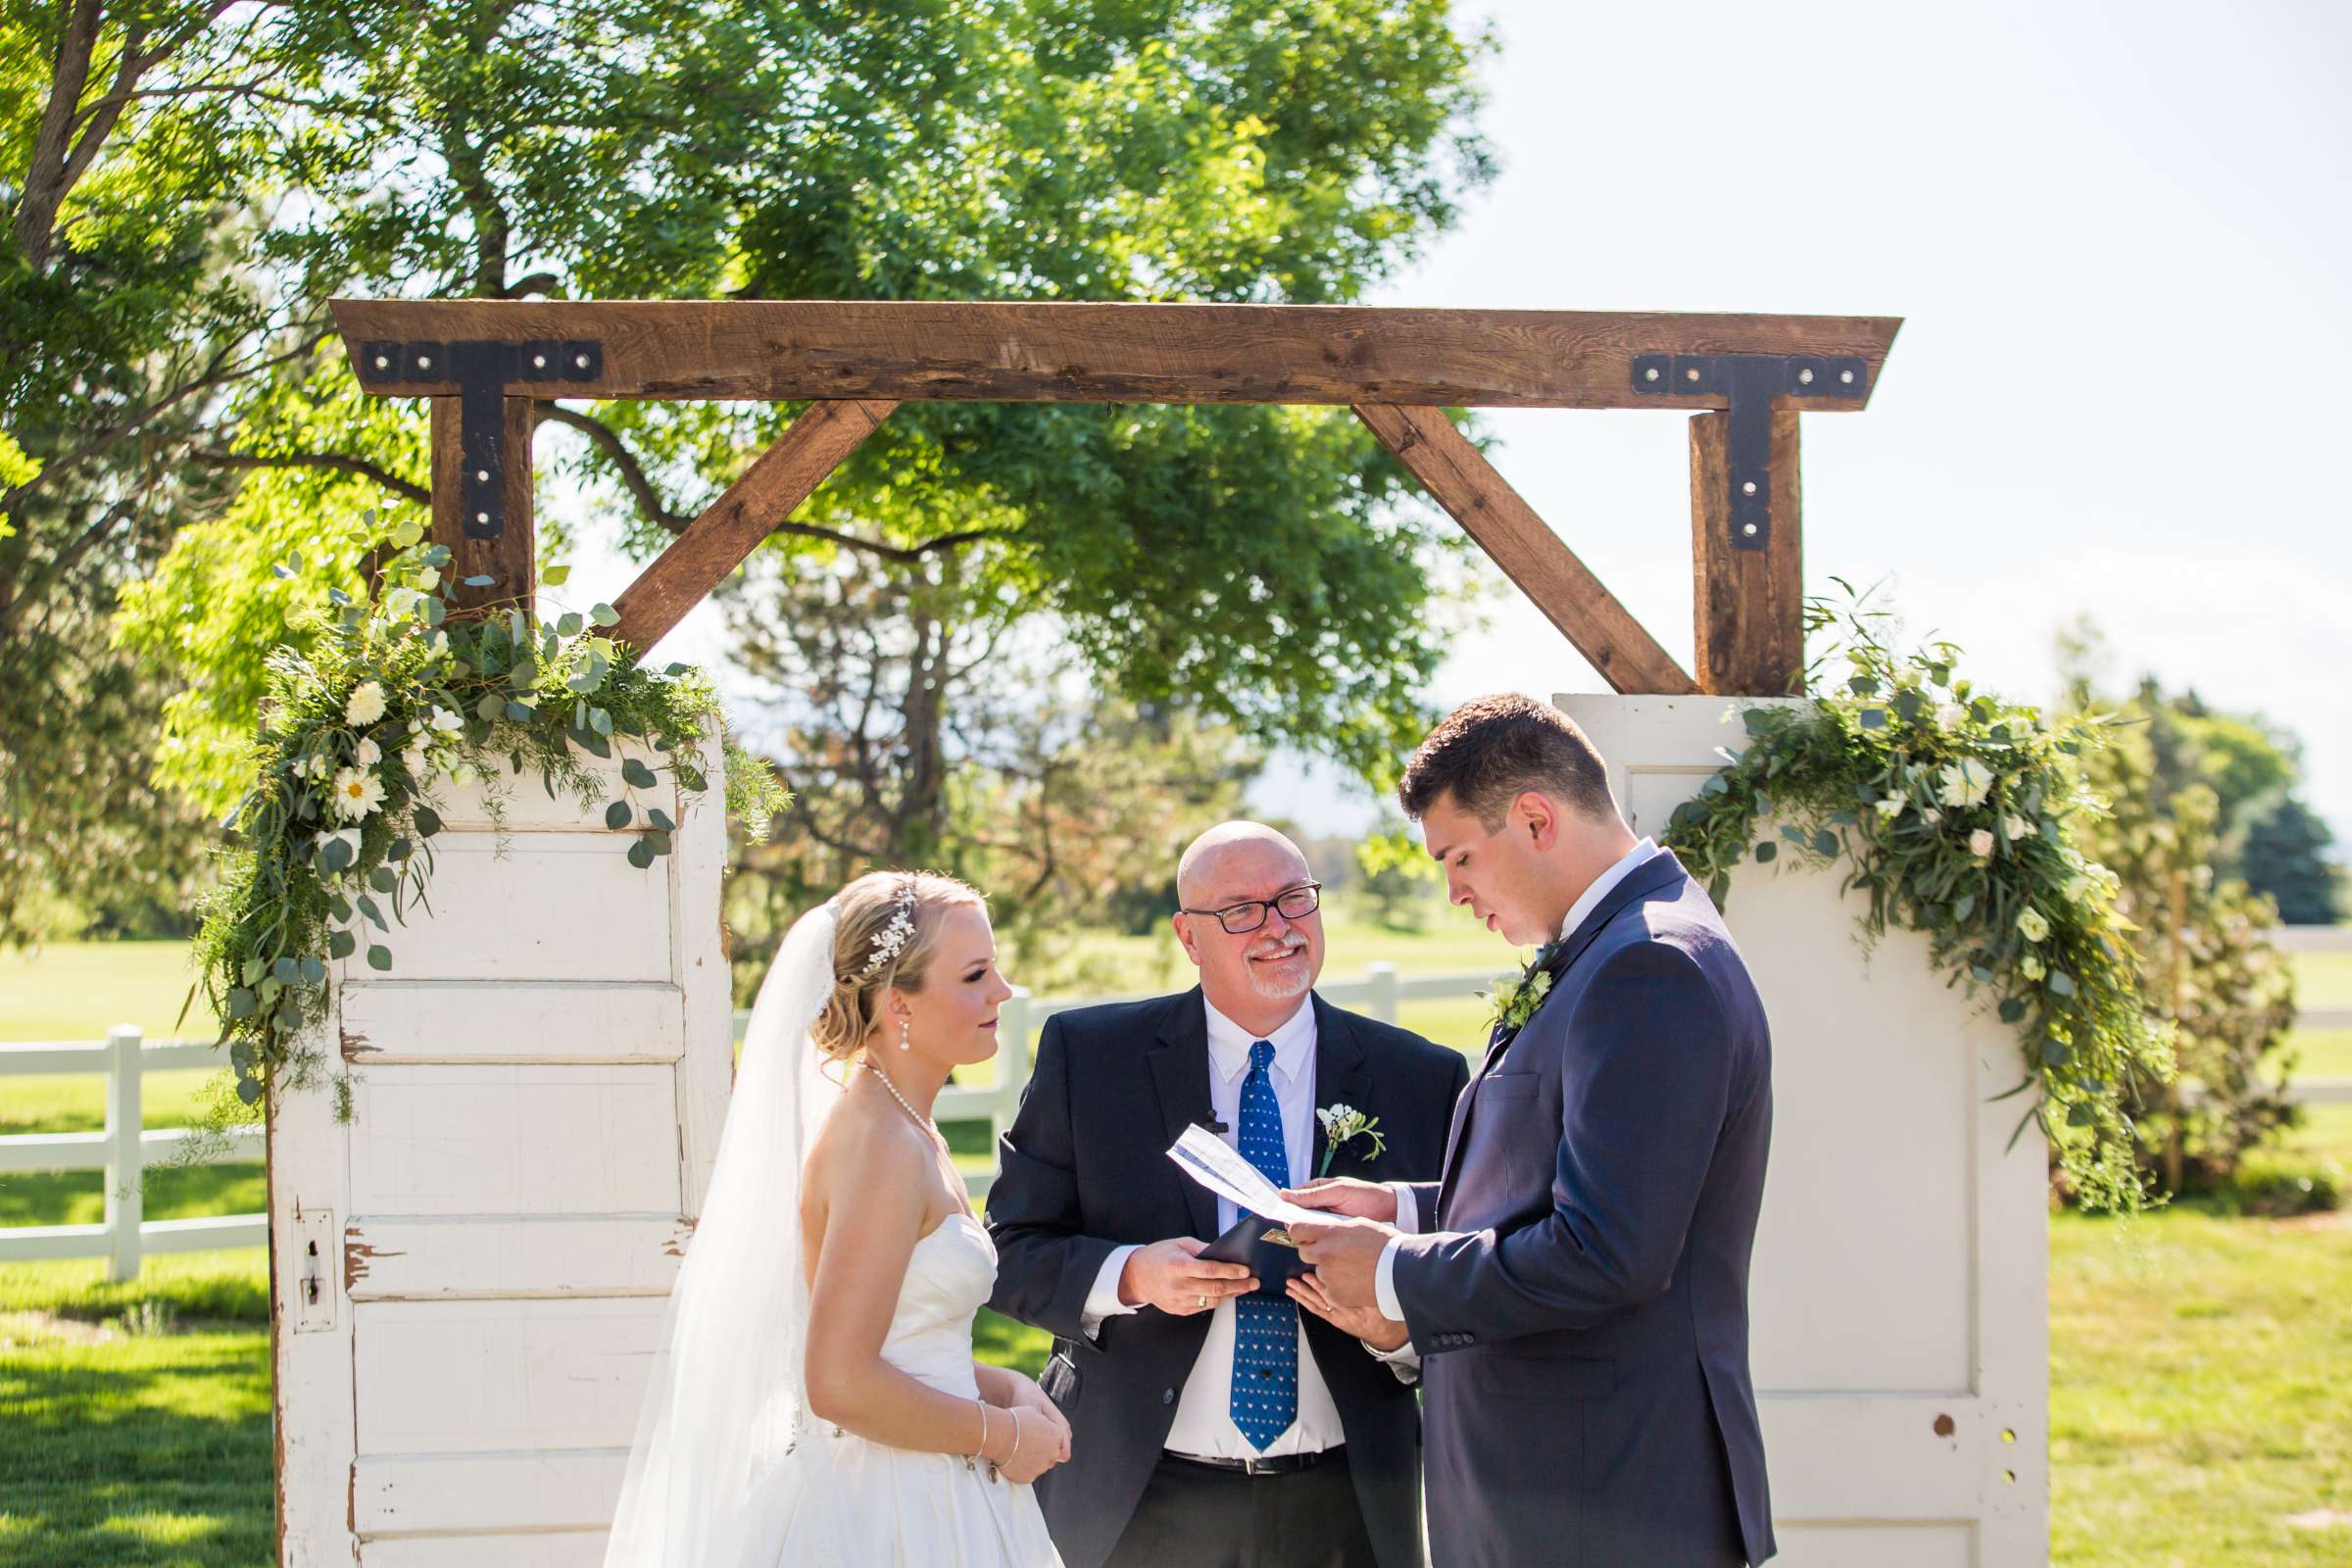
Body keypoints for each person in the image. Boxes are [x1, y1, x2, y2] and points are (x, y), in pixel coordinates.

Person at [1289, 695, 1779, 1567]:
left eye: (1460, 857)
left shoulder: (1649, 966)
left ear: (1536, 818)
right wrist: (1403, 1211)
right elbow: (1569, 1179)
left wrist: (1396, 1269)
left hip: (1607, 1503)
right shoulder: (1608, 950)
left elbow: (1607, 1250)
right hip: (1559, 1495)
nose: (1453, 890)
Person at [987, 821, 1470, 1568]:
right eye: (1241, 910)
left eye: (1293, 900)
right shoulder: (1092, 1060)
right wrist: (1131, 1276)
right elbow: (1012, 1253)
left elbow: (1468, 1267)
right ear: (1187, 935)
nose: (1277, 928)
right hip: (1140, 1503)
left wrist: (1395, 1332)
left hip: (1347, 1505)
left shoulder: (1420, 1078)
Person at [605, 870, 1071, 1566]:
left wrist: (1000, 1383)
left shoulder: (906, 1125)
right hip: (893, 1510)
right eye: (976, 975)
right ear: (895, 1004)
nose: (1002, 991)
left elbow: (898, 1340)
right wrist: (1001, 1437)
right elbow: (840, 1381)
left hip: (935, 1478)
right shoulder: (881, 1145)